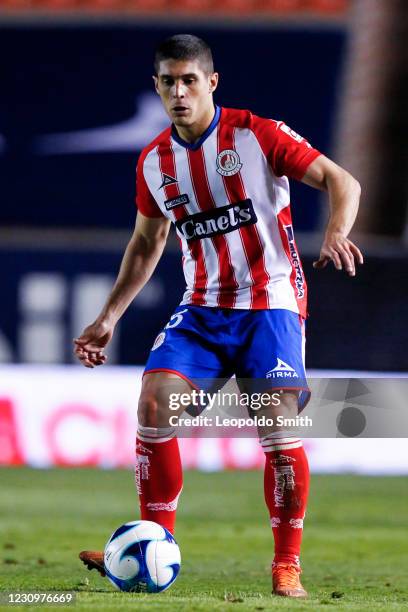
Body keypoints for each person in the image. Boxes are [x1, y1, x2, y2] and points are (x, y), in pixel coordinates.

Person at [75, 34, 363, 598]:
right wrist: (108, 316)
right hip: (202, 310)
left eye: (189, 80)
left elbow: (341, 179)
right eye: (167, 82)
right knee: (155, 400)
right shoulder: (155, 161)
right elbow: (145, 244)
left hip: (270, 305)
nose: (178, 92)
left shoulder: (257, 135)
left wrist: (335, 230)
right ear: (156, 86)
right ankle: (153, 543)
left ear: (211, 82)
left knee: (277, 425)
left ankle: (286, 565)